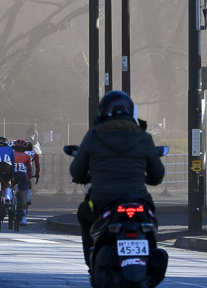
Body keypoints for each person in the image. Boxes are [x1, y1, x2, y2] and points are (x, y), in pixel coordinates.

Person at [69, 90, 165, 266]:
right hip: (138, 198)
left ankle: (92, 258)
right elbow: (157, 175)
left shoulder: (94, 136)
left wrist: (83, 177)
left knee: (84, 212)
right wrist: (145, 178)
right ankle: (150, 250)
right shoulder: (144, 138)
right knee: (149, 219)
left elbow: (76, 171)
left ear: (104, 112)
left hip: (102, 200)